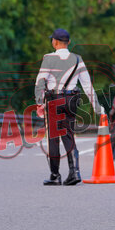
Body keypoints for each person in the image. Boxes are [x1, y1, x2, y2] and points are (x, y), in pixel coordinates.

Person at [35, 28, 103, 186]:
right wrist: (97, 107)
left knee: (53, 137)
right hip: (71, 100)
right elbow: (87, 85)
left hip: (54, 100)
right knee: (68, 135)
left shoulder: (48, 58)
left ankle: (55, 175)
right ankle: (75, 172)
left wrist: (39, 102)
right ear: (69, 42)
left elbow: (39, 82)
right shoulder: (78, 59)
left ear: (54, 42)